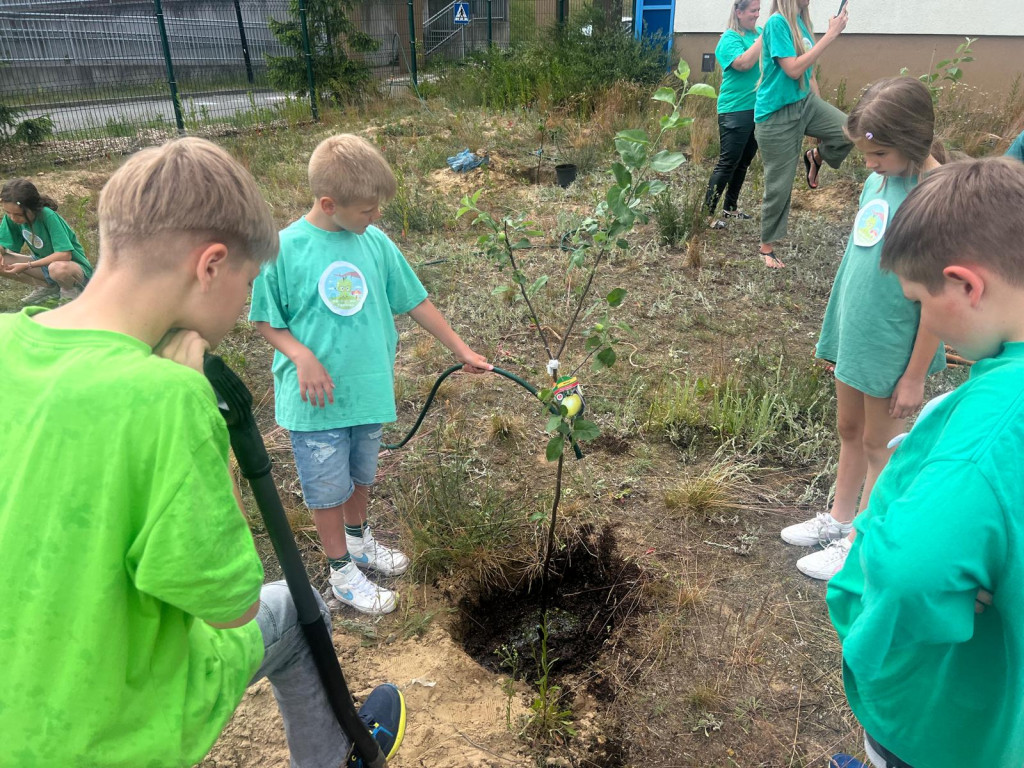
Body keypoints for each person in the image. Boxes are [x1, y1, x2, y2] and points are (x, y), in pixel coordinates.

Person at [0, 137, 405, 768]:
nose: (246, 304)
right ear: (210, 265)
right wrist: (195, 406)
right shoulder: (169, 398)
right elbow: (228, 604)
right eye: (246, 285)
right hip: (114, 731)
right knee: (295, 613)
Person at [827, 156, 1024, 768]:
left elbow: (914, 572)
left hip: (939, 721)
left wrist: (873, 549)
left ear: (967, 286)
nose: (920, 316)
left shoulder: (989, 429)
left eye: (917, 301)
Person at [250, 134, 491, 616]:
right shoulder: (284, 250)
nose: (375, 217)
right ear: (327, 203)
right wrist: (300, 355)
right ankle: (341, 572)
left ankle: (360, 543)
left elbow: (414, 300)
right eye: (366, 209)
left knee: (361, 476)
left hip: (367, 392)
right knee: (325, 490)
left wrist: (462, 349)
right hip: (315, 404)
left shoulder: (374, 242)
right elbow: (264, 319)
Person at [781, 77, 946, 580]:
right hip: (857, 330)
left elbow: (937, 298)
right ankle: (839, 517)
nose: (869, 165)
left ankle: (861, 541)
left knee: (882, 445)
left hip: (893, 343)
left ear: (912, 141)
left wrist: (915, 375)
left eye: (879, 155)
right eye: (866, 156)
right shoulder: (880, 181)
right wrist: (837, 331)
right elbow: (861, 257)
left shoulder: (937, 196)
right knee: (849, 430)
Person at [754, 0, 852, 267]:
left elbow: (808, 74)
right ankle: (766, 247)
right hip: (776, 115)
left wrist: (819, 115)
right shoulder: (777, 23)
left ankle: (816, 157)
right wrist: (831, 35)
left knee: (849, 130)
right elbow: (793, 68)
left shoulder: (801, 23)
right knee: (779, 184)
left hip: (805, 103)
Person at [703, 0, 764, 228]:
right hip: (735, 109)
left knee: (743, 161)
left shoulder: (757, 35)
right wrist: (762, 40)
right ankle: (707, 214)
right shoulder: (730, 38)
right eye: (752, 11)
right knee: (728, 162)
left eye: (759, 10)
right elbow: (743, 63)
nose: (757, 15)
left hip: (757, 109)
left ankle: (730, 208)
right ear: (738, 12)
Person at [0, 178, 93, 304]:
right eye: (8, 213)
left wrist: (27, 265)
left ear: (32, 208)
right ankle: (47, 287)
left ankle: (70, 292)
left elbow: (64, 255)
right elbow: (3, 243)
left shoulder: (47, 215)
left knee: (57, 268)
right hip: (45, 266)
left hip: (73, 270)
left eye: (19, 214)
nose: (13, 218)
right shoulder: (12, 217)